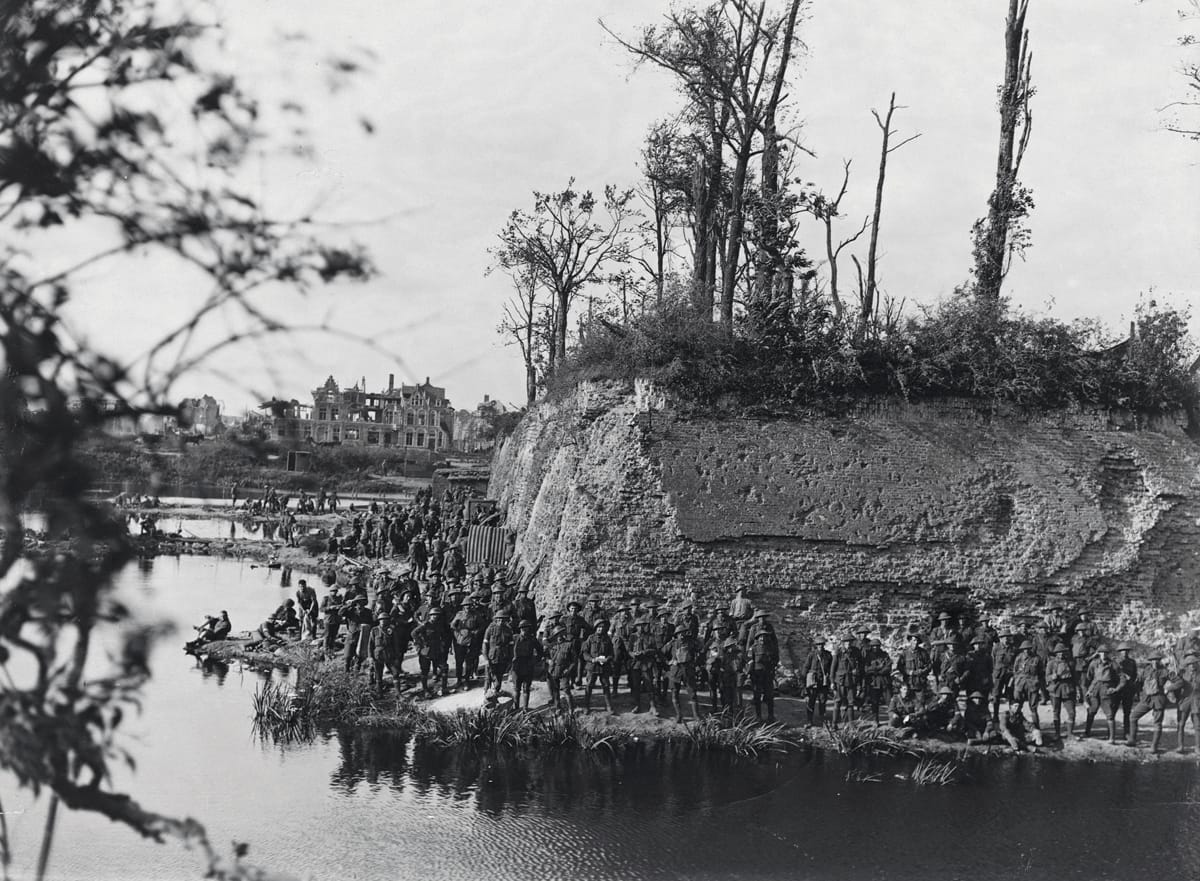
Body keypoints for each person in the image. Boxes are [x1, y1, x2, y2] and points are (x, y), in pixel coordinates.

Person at [1127, 650, 1170, 753]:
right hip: (1146, 699)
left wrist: (1169, 688)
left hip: (1158, 700)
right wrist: (1129, 683)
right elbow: (1139, 682)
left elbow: (1178, 681)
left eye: (1156, 660)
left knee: (1157, 723)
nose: (1154, 662)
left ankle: (1154, 747)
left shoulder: (1165, 671)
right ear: (1150, 661)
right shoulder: (1146, 670)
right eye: (1152, 660)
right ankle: (1132, 740)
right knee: (1133, 717)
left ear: (1160, 661)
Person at [1082, 644, 1123, 743]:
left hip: (1107, 689)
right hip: (1095, 688)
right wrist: (1088, 690)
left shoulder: (1113, 664)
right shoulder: (1094, 663)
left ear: (1108, 654)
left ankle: (1111, 738)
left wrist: (1116, 689)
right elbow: (1089, 677)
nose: (1103, 654)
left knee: (1109, 713)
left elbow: (1122, 678)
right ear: (1098, 653)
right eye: (1101, 652)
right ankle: (1087, 732)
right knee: (1092, 710)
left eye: (1105, 652)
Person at [412, 607, 450, 696]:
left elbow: (445, 635)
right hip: (426, 651)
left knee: (444, 668)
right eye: (433, 615)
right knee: (425, 671)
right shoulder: (425, 625)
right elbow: (413, 633)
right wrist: (420, 643)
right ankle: (425, 690)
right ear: (430, 616)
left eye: (437, 615)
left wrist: (443, 644)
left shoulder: (440, 625)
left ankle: (443, 688)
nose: (435, 617)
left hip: (437, 650)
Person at [582, 618, 616, 713]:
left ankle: (609, 706)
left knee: (606, 686)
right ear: (596, 628)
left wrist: (607, 659)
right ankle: (586, 706)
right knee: (589, 686)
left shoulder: (607, 639)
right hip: (592, 667)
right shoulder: (591, 638)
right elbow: (584, 652)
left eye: (602, 627)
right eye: (599, 627)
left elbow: (611, 653)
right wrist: (592, 659)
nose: (600, 629)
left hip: (604, 667)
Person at [1010, 638, 1044, 735]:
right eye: (1024, 649)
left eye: (1028, 648)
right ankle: (1015, 727)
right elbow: (1015, 671)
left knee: (1033, 708)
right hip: (1020, 684)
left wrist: (1040, 687)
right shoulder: (1019, 658)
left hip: (1032, 685)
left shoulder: (1037, 659)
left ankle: (1037, 729)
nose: (1026, 650)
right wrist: (1017, 680)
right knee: (1016, 706)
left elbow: (1041, 673)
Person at [511, 620, 544, 710]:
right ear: (520, 629)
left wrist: (535, 660)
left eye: (526, 628)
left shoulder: (532, 639)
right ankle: (515, 707)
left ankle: (525, 708)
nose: (524, 630)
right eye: (522, 628)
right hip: (517, 666)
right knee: (516, 688)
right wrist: (511, 660)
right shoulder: (514, 638)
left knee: (526, 688)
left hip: (528, 665)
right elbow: (507, 649)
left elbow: (540, 651)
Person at [628, 618, 660, 714]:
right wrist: (633, 654)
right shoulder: (633, 637)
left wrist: (645, 652)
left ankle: (653, 706)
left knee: (649, 685)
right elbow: (629, 650)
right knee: (636, 686)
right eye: (639, 625)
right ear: (636, 627)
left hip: (647, 664)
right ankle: (637, 705)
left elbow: (655, 650)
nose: (641, 627)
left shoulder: (650, 637)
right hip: (636, 664)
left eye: (643, 625)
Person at [545, 621, 576, 711]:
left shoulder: (569, 645)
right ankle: (558, 708)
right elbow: (544, 657)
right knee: (555, 691)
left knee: (566, 690)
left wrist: (568, 670)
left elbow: (574, 661)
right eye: (557, 634)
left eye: (561, 634)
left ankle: (571, 710)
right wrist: (548, 660)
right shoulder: (551, 646)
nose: (559, 636)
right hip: (553, 671)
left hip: (564, 671)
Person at [749, 629, 778, 723]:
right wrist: (751, 674)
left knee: (770, 696)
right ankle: (758, 716)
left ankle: (771, 716)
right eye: (760, 636)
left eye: (764, 636)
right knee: (757, 696)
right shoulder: (754, 648)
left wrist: (772, 668)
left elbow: (776, 659)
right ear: (757, 638)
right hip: (757, 675)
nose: (763, 638)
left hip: (768, 674)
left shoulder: (771, 647)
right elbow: (750, 661)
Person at [483, 610, 515, 697]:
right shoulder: (490, 629)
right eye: (499, 619)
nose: (500, 622)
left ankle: (496, 694)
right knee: (488, 677)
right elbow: (485, 644)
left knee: (499, 676)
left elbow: (511, 646)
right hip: (492, 656)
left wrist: (510, 658)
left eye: (503, 620)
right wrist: (486, 658)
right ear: (496, 620)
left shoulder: (508, 630)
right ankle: (486, 696)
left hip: (503, 656)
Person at [862, 637, 893, 725]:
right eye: (873, 646)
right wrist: (878, 668)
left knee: (889, 702)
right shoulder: (868, 657)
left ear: (880, 646)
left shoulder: (885, 655)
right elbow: (866, 669)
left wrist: (877, 671)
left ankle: (891, 720)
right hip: (873, 683)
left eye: (877, 646)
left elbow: (888, 667)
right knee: (874, 702)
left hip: (885, 682)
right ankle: (876, 720)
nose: (875, 648)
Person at [803, 637, 833, 727]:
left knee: (823, 701)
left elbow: (831, 668)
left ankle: (822, 719)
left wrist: (831, 681)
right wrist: (803, 682)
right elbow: (806, 667)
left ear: (824, 645)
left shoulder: (828, 655)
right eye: (818, 644)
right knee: (811, 701)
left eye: (822, 644)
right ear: (816, 645)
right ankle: (809, 721)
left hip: (823, 682)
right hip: (813, 681)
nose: (820, 646)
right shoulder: (812, 655)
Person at [831, 634, 859, 725]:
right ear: (843, 643)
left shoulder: (856, 652)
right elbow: (833, 668)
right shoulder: (838, 652)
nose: (848, 643)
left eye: (850, 641)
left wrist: (856, 672)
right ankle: (834, 723)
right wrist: (832, 681)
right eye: (846, 642)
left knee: (851, 703)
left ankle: (851, 724)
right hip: (840, 680)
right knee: (838, 702)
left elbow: (860, 666)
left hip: (851, 681)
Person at [1114, 642, 1139, 741]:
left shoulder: (1132, 662)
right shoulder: (1115, 662)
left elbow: (1135, 675)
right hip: (1118, 688)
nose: (1124, 652)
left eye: (1126, 651)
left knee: (1127, 712)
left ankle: (1126, 732)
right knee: (1113, 711)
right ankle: (1111, 733)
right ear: (1119, 652)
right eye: (1122, 651)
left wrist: (1133, 685)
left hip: (1128, 689)